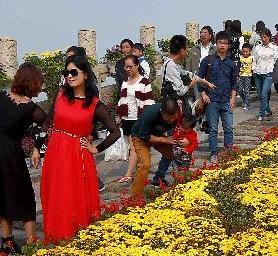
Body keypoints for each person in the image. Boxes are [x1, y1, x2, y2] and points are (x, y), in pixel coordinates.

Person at [40, 56, 120, 240]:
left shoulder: (94, 104)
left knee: (72, 196)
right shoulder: (60, 94)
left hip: (77, 155)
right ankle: (55, 237)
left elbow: (115, 132)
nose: (69, 76)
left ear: (85, 74)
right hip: (55, 153)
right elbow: (47, 121)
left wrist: (97, 148)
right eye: (66, 72)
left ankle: (75, 238)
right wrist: (39, 143)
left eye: (73, 72)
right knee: (55, 195)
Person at [0, 63, 48, 254]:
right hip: (9, 153)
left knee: (0, 194)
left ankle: (7, 241)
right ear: (33, 83)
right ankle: (31, 242)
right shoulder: (30, 108)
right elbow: (47, 126)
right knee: (24, 195)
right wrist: (35, 144)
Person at [198, 31, 239, 163]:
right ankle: (214, 152)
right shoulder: (207, 61)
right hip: (212, 100)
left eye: (225, 43)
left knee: (228, 127)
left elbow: (234, 82)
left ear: (228, 46)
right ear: (216, 44)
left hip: (226, 99)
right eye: (220, 42)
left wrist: (233, 98)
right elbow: (200, 79)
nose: (222, 45)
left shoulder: (232, 64)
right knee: (213, 128)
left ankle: (228, 150)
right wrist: (203, 94)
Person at [116, 55, 154, 184]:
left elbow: (149, 102)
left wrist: (146, 120)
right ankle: (141, 169)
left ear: (137, 66)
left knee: (133, 147)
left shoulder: (144, 82)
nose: (128, 69)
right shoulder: (125, 82)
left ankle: (128, 174)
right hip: (127, 118)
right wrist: (120, 116)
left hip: (139, 118)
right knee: (131, 147)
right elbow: (122, 100)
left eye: (130, 66)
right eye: (126, 67)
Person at [130, 99, 181, 194]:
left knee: (176, 154)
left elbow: (182, 127)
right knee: (145, 164)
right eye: (168, 119)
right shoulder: (150, 113)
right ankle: (136, 198)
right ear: (161, 112)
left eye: (174, 118)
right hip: (140, 135)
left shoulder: (179, 112)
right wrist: (164, 140)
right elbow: (144, 135)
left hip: (157, 133)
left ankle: (181, 182)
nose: (171, 121)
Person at [253, 29, 278, 121]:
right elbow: (254, 59)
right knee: (260, 95)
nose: (263, 39)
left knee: (264, 94)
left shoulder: (274, 48)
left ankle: (261, 114)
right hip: (258, 72)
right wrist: (254, 69)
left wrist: (274, 71)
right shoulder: (258, 47)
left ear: (269, 37)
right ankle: (268, 109)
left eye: (265, 37)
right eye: (262, 37)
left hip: (268, 73)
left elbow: (276, 61)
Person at [237, 43, 253, 110]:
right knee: (239, 89)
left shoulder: (251, 58)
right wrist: (237, 75)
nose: (245, 53)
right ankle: (244, 99)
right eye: (244, 51)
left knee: (246, 90)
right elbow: (238, 66)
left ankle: (246, 103)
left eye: (247, 52)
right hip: (241, 75)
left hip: (248, 76)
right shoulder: (240, 58)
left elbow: (254, 66)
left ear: (250, 51)